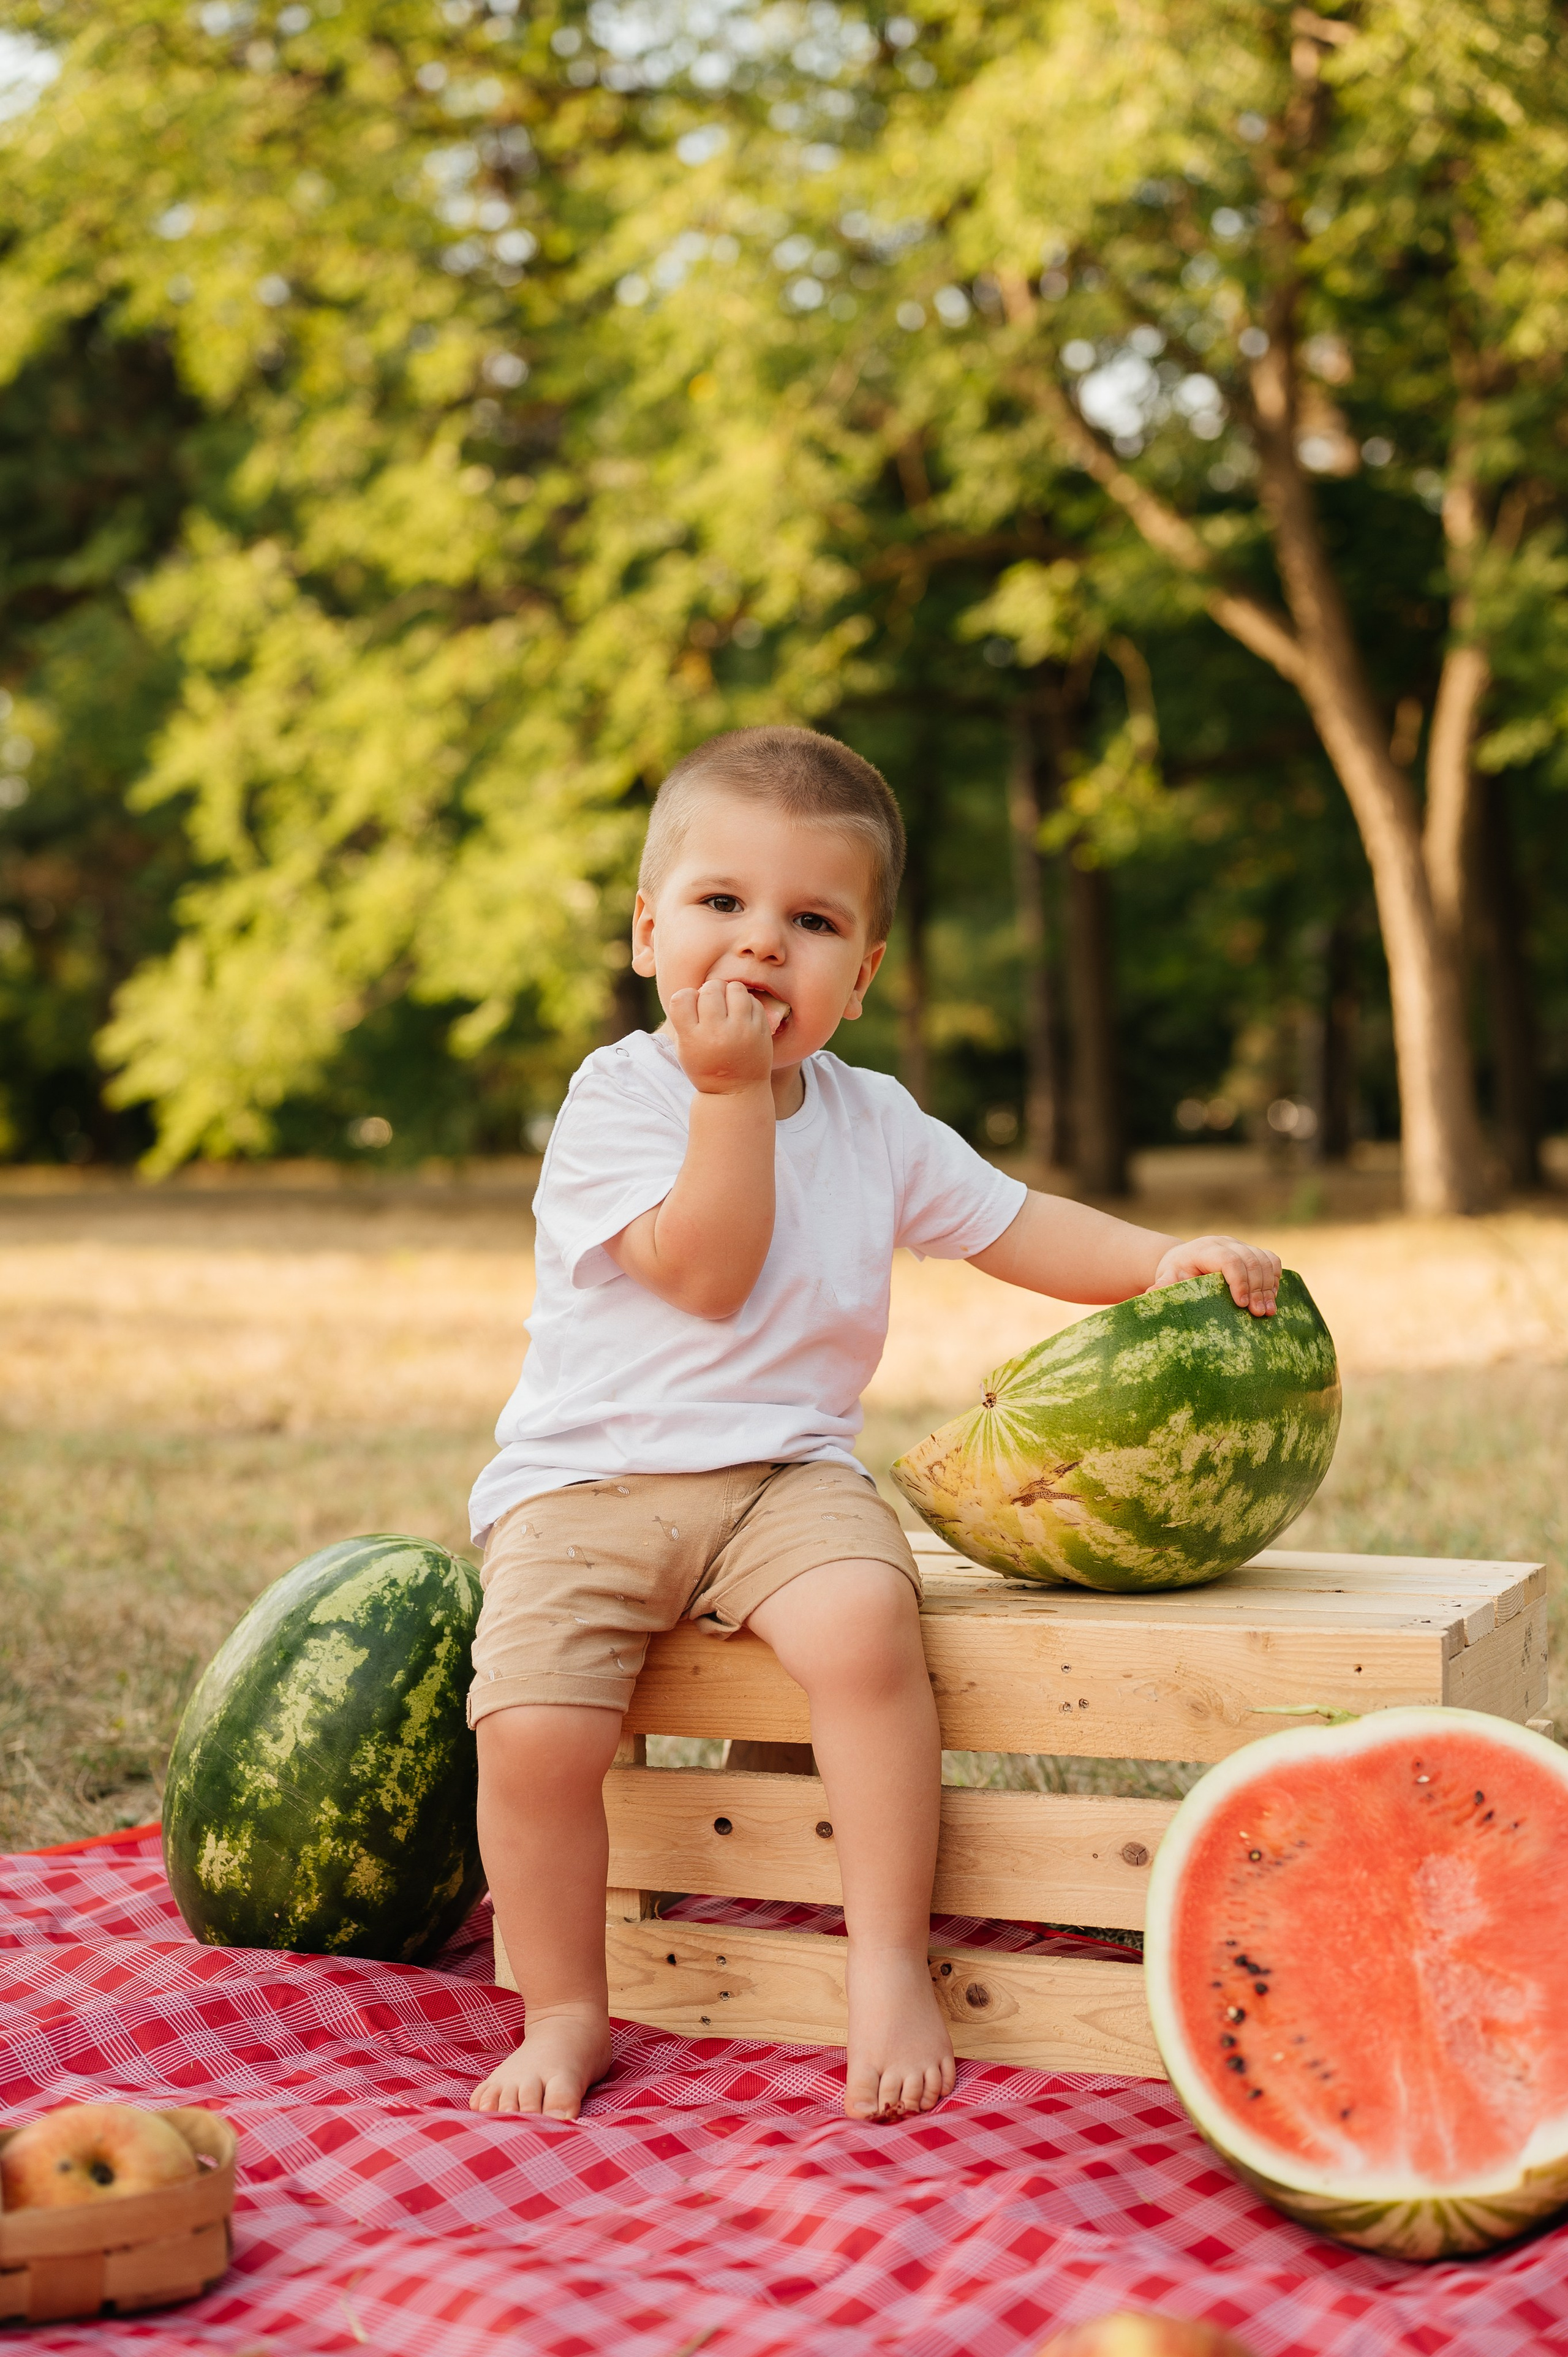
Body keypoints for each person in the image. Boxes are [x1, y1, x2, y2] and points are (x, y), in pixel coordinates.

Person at [466, 725, 1282, 2125]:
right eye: (721, 903)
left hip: (781, 1476)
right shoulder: (618, 1101)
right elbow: (707, 1273)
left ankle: (888, 1958)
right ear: (649, 928)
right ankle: (563, 2007)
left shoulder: (875, 1118)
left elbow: (1013, 1221)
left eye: (812, 921)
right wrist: (727, 1096)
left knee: (862, 1627)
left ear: (860, 977)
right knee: (533, 1732)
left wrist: (1158, 1259)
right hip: (586, 1481)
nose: (759, 943)